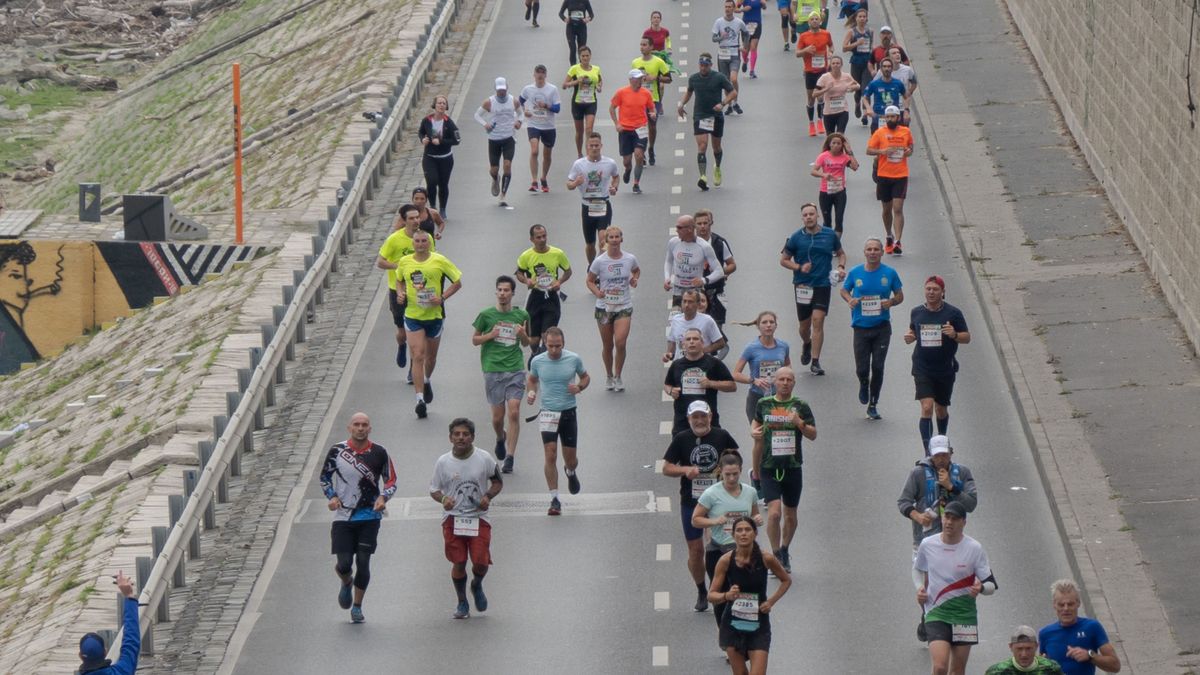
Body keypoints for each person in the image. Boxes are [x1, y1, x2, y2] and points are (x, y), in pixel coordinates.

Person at [663, 400, 741, 612]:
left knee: (723, 546)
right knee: (696, 550)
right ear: (688, 419)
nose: (699, 421)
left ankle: (723, 588)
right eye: (694, 417)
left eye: (702, 416)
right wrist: (685, 470)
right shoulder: (682, 439)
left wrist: (726, 470)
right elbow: (666, 468)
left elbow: (735, 457)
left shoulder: (721, 435)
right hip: (692, 499)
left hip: (719, 500)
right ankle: (701, 590)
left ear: (710, 416)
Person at [319, 412, 397, 623]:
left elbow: (391, 481)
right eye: (357, 425)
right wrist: (332, 496)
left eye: (364, 425)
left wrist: (383, 497)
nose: (360, 428)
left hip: (369, 516)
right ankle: (346, 581)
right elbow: (325, 477)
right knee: (344, 563)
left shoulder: (380, 452)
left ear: (370, 428)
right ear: (349, 428)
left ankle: (357, 606)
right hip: (343, 516)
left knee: (363, 561)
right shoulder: (337, 450)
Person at [898, 434, 978, 635]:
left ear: (951, 453)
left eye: (944, 455)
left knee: (952, 580)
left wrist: (952, 486)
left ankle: (947, 619)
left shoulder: (962, 473)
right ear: (930, 456)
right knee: (927, 584)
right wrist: (917, 516)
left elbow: (972, 503)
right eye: (937, 456)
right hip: (925, 539)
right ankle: (929, 615)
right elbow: (903, 502)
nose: (941, 459)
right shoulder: (918, 474)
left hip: (953, 539)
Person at [429, 418, 503, 620]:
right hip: (453, 518)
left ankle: (476, 584)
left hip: (478, 517)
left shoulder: (484, 458)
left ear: (472, 437)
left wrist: (487, 496)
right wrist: (444, 499)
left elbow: (497, 481)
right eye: (457, 434)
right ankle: (462, 601)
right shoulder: (443, 462)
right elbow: (434, 490)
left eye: (465, 434)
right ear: (450, 437)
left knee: (480, 561)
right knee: (459, 561)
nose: (461, 438)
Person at [915, 501, 997, 675]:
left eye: (954, 519)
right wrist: (920, 587)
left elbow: (991, 585)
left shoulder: (974, 548)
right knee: (939, 667)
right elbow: (917, 568)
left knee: (957, 671)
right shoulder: (928, 544)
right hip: (936, 611)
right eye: (947, 517)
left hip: (964, 615)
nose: (949, 522)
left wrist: (981, 587)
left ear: (964, 523)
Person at [750, 366, 814, 573]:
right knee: (774, 514)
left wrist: (799, 423)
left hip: (793, 466)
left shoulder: (800, 405)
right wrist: (753, 432)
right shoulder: (764, 404)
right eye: (781, 379)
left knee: (790, 515)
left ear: (794, 383)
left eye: (789, 380)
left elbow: (813, 434)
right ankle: (775, 553)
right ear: (775, 382)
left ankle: (785, 548)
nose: (785, 383)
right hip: (769, 466)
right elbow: (756, 425)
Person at [707, 515, 791, 674]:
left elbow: (786, 581)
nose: (743, 533)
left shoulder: (766, 558)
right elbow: (711, 595)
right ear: (733, 535)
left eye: (747, 530)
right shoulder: (725, 560)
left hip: (758, 624)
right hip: (733, 625)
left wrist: (771, 602)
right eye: (739, 530)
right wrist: (726, 596)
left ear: (755, 534)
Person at [394, 230, 463, 418]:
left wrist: (442, 298)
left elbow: (457, 282)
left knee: (430, 358)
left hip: (434, 316)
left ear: (430, 243)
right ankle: (419, 399)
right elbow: (399, 281)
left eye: (424, 241)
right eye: (417, 241)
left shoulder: (439, 260)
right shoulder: (405, 261)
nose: (421, 244)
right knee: (417, 355)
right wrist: (400, 293)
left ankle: (426, 379)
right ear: (413, 243)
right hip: (413, 315)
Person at [692, 453, 764, 632]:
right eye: (727, 474)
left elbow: (753, 516)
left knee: (745, 595)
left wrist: (757, 519)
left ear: (740, 471)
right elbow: (695, 519)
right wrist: (714, 521)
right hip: (719, 550)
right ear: (720, 472)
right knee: (721, 596)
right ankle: (726, 639)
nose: (731, 478)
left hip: (745, 552)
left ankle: (745, 635)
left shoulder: (750, 492)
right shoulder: (711, 494)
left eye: (735, 474)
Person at [526, 327, 590, 515]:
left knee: (570, 459)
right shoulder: (538, 361)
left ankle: (570, 472)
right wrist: (531, 392)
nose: (554, 350)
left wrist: (579, 387)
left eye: (558, 346)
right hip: (548, 413)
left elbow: (586, 377)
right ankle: (554, 498)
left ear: (563, 344)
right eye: (551, 346)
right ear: (545, 343)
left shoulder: (573, 359)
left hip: (568, 412)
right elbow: (532, 380)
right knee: (550, 454)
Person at [903, 275, 970, 453]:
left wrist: (954, 334)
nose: (931, 292)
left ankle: (941, 441)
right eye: (928, 289)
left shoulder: (953, 313)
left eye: (935, 289)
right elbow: (913, 330)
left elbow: (967, 338)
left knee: (941, 410)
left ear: (943, 292)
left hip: (944, 368)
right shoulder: (917, 312)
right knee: (927, 407)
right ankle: (928, 452)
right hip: (922, 367)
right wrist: (910, 336)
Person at [472, 276, 532, 474]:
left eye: (507, 290)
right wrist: (491, 335)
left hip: (515, 368)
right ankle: (500, 437)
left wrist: (522, 334)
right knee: (498, 418)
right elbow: (475, 340)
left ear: (513, 293)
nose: (503, 294)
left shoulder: (522, 314)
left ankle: (510, 457)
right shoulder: (486, 315)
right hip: (493, 368)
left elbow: (526, 343)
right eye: (500, 290)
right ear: (496, 292)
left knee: (514, 411)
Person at [839, 236, 903, 418]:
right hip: (860, 327)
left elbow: (900, 295)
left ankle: (873, 403)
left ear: (882, 252)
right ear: (864, 252)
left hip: (882, 327)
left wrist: (891, 302)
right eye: (869, 249)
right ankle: (863, 383)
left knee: (878, 366)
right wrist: (850, 299)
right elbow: (844, 290)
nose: (873, 252)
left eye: (876, 249)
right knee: (862, 369)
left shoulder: (889, 273)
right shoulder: (855, 272)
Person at [780, 202, 846, 376]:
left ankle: (815, 361)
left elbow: (841, 253)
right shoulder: (795, 237)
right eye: (805, 215)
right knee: (804, 326)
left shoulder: (829, 234)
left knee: (818, 320)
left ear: (817, 216)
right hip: (802, 285)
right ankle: (806, 343)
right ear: (802, 218)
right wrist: (799, 267)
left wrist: (840, 267)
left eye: (811, 214)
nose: (809, 217)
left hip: (822, 284)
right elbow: (784, 260)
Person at [376, 203, 436, 379]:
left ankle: (414, 366)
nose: (416, 220)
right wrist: (401, 266)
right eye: (411, 218)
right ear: (404, 220)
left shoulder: (426, 238)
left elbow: (432, 259)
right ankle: (401, 345)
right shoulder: (394, 239)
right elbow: (380, 262)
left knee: (417, 334)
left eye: (417, 217)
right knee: (402, 334)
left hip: (419, 291)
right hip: (398, 290)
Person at [586, 226, 640, 390]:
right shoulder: (600, 261)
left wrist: (634, 279)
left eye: (617, 237)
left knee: (621, 342)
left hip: (623, 305)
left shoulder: (629, 258)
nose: (615, 240)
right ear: (606, 241)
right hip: (604, 308)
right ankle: (609, 375)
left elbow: (636, 271)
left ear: (621, 239)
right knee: (608, 345)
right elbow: (589, 280)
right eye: (612, 238)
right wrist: (597, 292)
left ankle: (618, 376)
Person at [677, 53, 737, 191]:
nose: (703, 68)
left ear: (711, 65)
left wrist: (722, 104)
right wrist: (681, 104)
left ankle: (717, 167)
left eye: (706, 65)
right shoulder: (694, 79)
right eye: (701, 65)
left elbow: (733, 93)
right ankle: (703, 176)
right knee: (702, 146)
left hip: (715, 115)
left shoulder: (719, 77)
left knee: (716, 147)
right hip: (700, 115)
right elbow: (689, 92)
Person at [1038, 579, 1122, 675]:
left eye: (1070, 604)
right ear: (1054, 605)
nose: (1066, 609)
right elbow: (1041, 667)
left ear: (1078, 603)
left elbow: (1115, 666)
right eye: (1061, 605)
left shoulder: (1092, 627)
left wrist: (1090, 656)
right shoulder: (1045, 633)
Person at [515, 224, 572, 362]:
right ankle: (536, 354)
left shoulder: (557, 253)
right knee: (534, 339)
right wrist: (526, 280)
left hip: (551, 297)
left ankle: (543, 363)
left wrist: (559, 282)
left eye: (544, 236)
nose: (542, 239)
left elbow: (568, 271)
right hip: (534, 297)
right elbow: (519, 273)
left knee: (546, 335)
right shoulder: (526, 256)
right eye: (538, 237)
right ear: (532, 239)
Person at [665, 327, 737, 434]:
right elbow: (667, 384)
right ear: (683, 345)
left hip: (707, 420)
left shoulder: (713, 363)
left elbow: (732, 386)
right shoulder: (677, 365)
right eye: (688, 339)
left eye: (695, 339)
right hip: (683, 421)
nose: (692, 342)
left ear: (702, 343)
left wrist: (711, 383)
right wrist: (671, 391)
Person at [566, 132, 621, 264]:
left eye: (597, 145)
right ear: (587, 147)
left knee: (603, 239)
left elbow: (616, 177)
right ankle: (592, 265)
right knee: (590, 244)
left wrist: (614, 188)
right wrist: (575, 183)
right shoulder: (579, 164)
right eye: (592, 146)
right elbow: (568, 184)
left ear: (601, 146)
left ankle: (600, 266)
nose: (594, 148)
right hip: (587, 206)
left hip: (603, 203)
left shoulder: (610, 163)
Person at [866, 105, 913, 254]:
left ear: (898, 118)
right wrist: (882, 151)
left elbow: (911, 148)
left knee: (897, 209)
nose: (890, 119)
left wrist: (908, 152)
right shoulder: (880, 132)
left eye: (893, 116)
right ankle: (888, 235)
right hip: (884, 175)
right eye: (888, 117)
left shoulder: (905, 131)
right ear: (885, 118)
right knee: (886, 210)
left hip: (900, 175)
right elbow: (868, 150)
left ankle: (898, 241)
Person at [78, 571, 140, 674]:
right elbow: (131, 642)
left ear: (80, 655)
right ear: (105, 651)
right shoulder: (122, 671)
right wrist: (129, 596)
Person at [733, 311, 790, 423]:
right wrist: (754, 381)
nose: (768, 325)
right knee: (759, 434)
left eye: (771, 322)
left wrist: (782, 378)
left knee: (777, 432)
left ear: (776, 326)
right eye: (764, 322)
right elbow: (735, 374)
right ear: (758, 326)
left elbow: (788, 366)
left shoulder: (783, 346)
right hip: (757, 397)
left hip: (779, 396)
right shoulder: (751, 348)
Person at [474, 77, 522, 208]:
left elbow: (521, 113)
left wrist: (519, 122)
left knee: (507, 165)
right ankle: (495, 179)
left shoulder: (513, 100)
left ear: (507, 88)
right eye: (499, 90)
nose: (502, 92)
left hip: (509, 137)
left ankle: (503, 195)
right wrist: (485, 124)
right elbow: (477, 115)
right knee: (493, 170)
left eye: (504, 89)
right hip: (494, 138)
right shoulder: (489, 102)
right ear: (496, 89)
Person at [609, 70, 656, 194]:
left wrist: (653, 114)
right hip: (625, 130)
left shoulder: (646, 93)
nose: (640, 81)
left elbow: (652, 107)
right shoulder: (622, 92)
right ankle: (628, 170)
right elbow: (612, 108)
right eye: (637, 79)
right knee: (627, 161)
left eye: (641, 78)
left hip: (640, 129)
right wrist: (617, 123)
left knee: (639, 155)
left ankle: (636, 183)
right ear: (631, 80)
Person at [664, 214, 724, 306]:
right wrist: (667, 277)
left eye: (679, 228)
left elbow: (719, 271)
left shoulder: (704, 246)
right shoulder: (673, 242)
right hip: (678, 292)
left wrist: (704, 280)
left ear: (690, 229)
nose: (676, 230)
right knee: (676, 320)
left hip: (696, 293)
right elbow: (668, 261)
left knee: (695, 320)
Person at [519, 65, 562, 193]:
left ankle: (543, 178)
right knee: (534, 151)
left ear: (545, 75)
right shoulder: (528, 89)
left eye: (542, 74)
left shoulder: (552, 89)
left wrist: (547, 106)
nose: (540, 76)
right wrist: (523, 112)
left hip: (548, 126)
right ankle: (534, 180)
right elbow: (519, 101)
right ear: (534, 75)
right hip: (533, 124)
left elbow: (557, 109)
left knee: (547, 154)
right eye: (538, 73)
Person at [695, 209, 737, 333]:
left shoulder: (719, 242)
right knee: (696, 328)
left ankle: (716, 351)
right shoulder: (689, 243)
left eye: (705, 223)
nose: (702, 226)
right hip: (695, 292)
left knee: (716, 329)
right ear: (694, 225)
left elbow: (732, 265)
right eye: (699, 223)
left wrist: (721, 272)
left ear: (711, 223)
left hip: (715, 292)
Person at [632, 37, 672, 166]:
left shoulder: (658, 62)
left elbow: (669, 79)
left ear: (651, 47)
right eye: (640, 44)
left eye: (644, 45)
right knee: (639, 126)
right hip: (638, 100)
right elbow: (631, 80)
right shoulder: (635, 62)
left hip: (653, 99)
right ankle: (641, 150)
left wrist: (656, 78)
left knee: (652, 126)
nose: (642, 47)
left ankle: (651, 148)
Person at [809, 132, 859, 235]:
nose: (836, 145)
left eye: (839, 143)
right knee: (827, 221)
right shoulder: (823, 156)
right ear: (829, 144)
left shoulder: (844, 157)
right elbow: (813, 171)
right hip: (825, 192)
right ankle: (828, 244)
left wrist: (849, 152)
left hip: (840, 192)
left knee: (839, 219)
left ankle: (835, 245)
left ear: (842, 145)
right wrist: (823, 175)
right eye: (834, 143)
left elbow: (855, 167)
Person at [418, 94, 460, 216]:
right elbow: (421, 132)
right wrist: (423, 140)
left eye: (443, 103)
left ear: (446, 106)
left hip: (445, 159)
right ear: (434, 105)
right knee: (431, 181)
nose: (441, 105)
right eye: (439, 103)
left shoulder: (449, 123)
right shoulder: (427, 120)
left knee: (443, 184)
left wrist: (441, 141)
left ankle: (442, 209)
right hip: (430, 157)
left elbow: (457, 140)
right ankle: (432, 207)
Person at [795, 11, 834, 136]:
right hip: (810, 70)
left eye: (817, 19)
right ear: (808, 22)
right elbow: (797, 53)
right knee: (811, 99)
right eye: (812, 19)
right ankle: (811, 123)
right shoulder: (804, 36)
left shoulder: (826, 34)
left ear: (820, 21)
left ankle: (820, 121)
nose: (815, 21)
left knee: (821, 97)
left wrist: (830, 52)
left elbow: (831, 45)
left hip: (822, 70)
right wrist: (806, 50)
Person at [564, 46, 602, 157]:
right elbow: (564, 85)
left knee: (589, 129)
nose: (585, 58)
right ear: (579, 57)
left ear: (590, 56)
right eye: (583, 56)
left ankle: (588, 154)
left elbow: (599, 81)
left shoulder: (596, 69)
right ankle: (580, 153)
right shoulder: (574, 69)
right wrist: (576, 81)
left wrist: (599, 87)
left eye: (587, 56)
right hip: (578, 103)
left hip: (591, 102)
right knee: (579, 132)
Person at [665, 290, 726, 360]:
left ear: (697, 304)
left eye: (690, 302)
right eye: (684, 301)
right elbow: (672, 341)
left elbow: (720, 343)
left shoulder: (707, 320)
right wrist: (669, 353)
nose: (686, 305)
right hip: (681, 364)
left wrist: (702, 351)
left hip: (701, 364)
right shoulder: (676, 320)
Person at [711, 1, 748, 114]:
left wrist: (745, 46)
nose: (727, 9)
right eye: (726, 7)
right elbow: (713, 38)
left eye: (729, 7)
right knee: (726, 82)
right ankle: (730, 105)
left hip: (734, 53)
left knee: (733, 79)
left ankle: (735, 101)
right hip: (722, 54)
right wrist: (721, 37)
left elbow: (746, 33)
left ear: (733, 8)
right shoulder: (719, 22)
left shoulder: (739, 22)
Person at [985, 626, 1065, 675]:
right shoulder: (997, 671)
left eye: (1028, 648)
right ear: (1011, 647)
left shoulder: (1051, 669)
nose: (1024, 654)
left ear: (1036, 646)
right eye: (1019, 649)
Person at [813, 55, 858, 134]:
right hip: (829, 112)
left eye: (838, 63)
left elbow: (857, 85)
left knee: (840, 135)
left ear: (841, 65)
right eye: (833, 63)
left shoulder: (846, 76)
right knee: (830, 138)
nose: (835, 65)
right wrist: (826, 89)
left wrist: (852, 88)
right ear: (830, 65)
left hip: (843, 111)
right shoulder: (824, 77)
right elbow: (814, 94)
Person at [873, 45, 917, 125]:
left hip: (902, 107)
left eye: (898, 52)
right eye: (894, 53)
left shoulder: (907, 70)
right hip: (887, 109)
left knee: (902, 134)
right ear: (888, 57)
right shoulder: (881, 72)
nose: (897, 54)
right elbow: (873, 87)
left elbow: (914, 82)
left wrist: (909, 92)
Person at [842, 8, 873, 121]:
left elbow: (870, 47)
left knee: (866, 88)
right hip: (856, 61)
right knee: (858, 89)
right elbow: (844, 48)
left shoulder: (870, 31)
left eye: (864, 17)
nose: (862, 19)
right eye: (860, 16)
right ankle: (857, 103)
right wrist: (856, 43)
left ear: (866, 18)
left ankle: (865, 114)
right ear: (856, 18)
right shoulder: (852, 32)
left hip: (867, 62)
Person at [861, 58, 906, 133]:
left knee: (894, 140)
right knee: (876, 142)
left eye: (889, 66)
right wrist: (868, 108)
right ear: (881, 69)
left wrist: (906, 111)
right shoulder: (874, 83)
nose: (886, 69)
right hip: (878, 116)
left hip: (894, 117)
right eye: (884, 66)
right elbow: (865, 97)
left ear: (892, 69)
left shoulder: (898, 83)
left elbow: (906, 97)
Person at [735, 0, 765, 78]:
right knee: (745, 49)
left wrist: (763, 4)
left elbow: (764, 7)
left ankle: (752, 70)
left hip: (757, 24)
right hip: (746, 25)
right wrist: (743, 9)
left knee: (753, 48)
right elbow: (735, 9)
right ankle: (745, 60)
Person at [559, 0, 594, 66]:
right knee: (573, 49)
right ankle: (573, 67)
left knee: (582, 49)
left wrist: (587, 19)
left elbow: (591, 15)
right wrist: (565, 19)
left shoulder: (585, 1)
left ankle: (582, 66)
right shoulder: (568, 1)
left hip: (581, 27)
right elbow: (560, 13)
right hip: (571, 27)